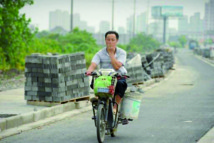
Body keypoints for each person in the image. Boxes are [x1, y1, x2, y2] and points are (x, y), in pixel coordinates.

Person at [86, 31, 128, 113]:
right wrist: (89, 71)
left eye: (113, 40)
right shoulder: (100, 53)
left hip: (118, 76)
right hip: (104, 77)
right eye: (108, 40)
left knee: (120, 85)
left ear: (116, 41)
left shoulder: (122, 53)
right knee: (94, 82)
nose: (110, 42)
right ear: (105, 40)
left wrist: (111, 54)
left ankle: (115, 107)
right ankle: (98, 99)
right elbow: (93, 64)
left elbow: (117, 66)